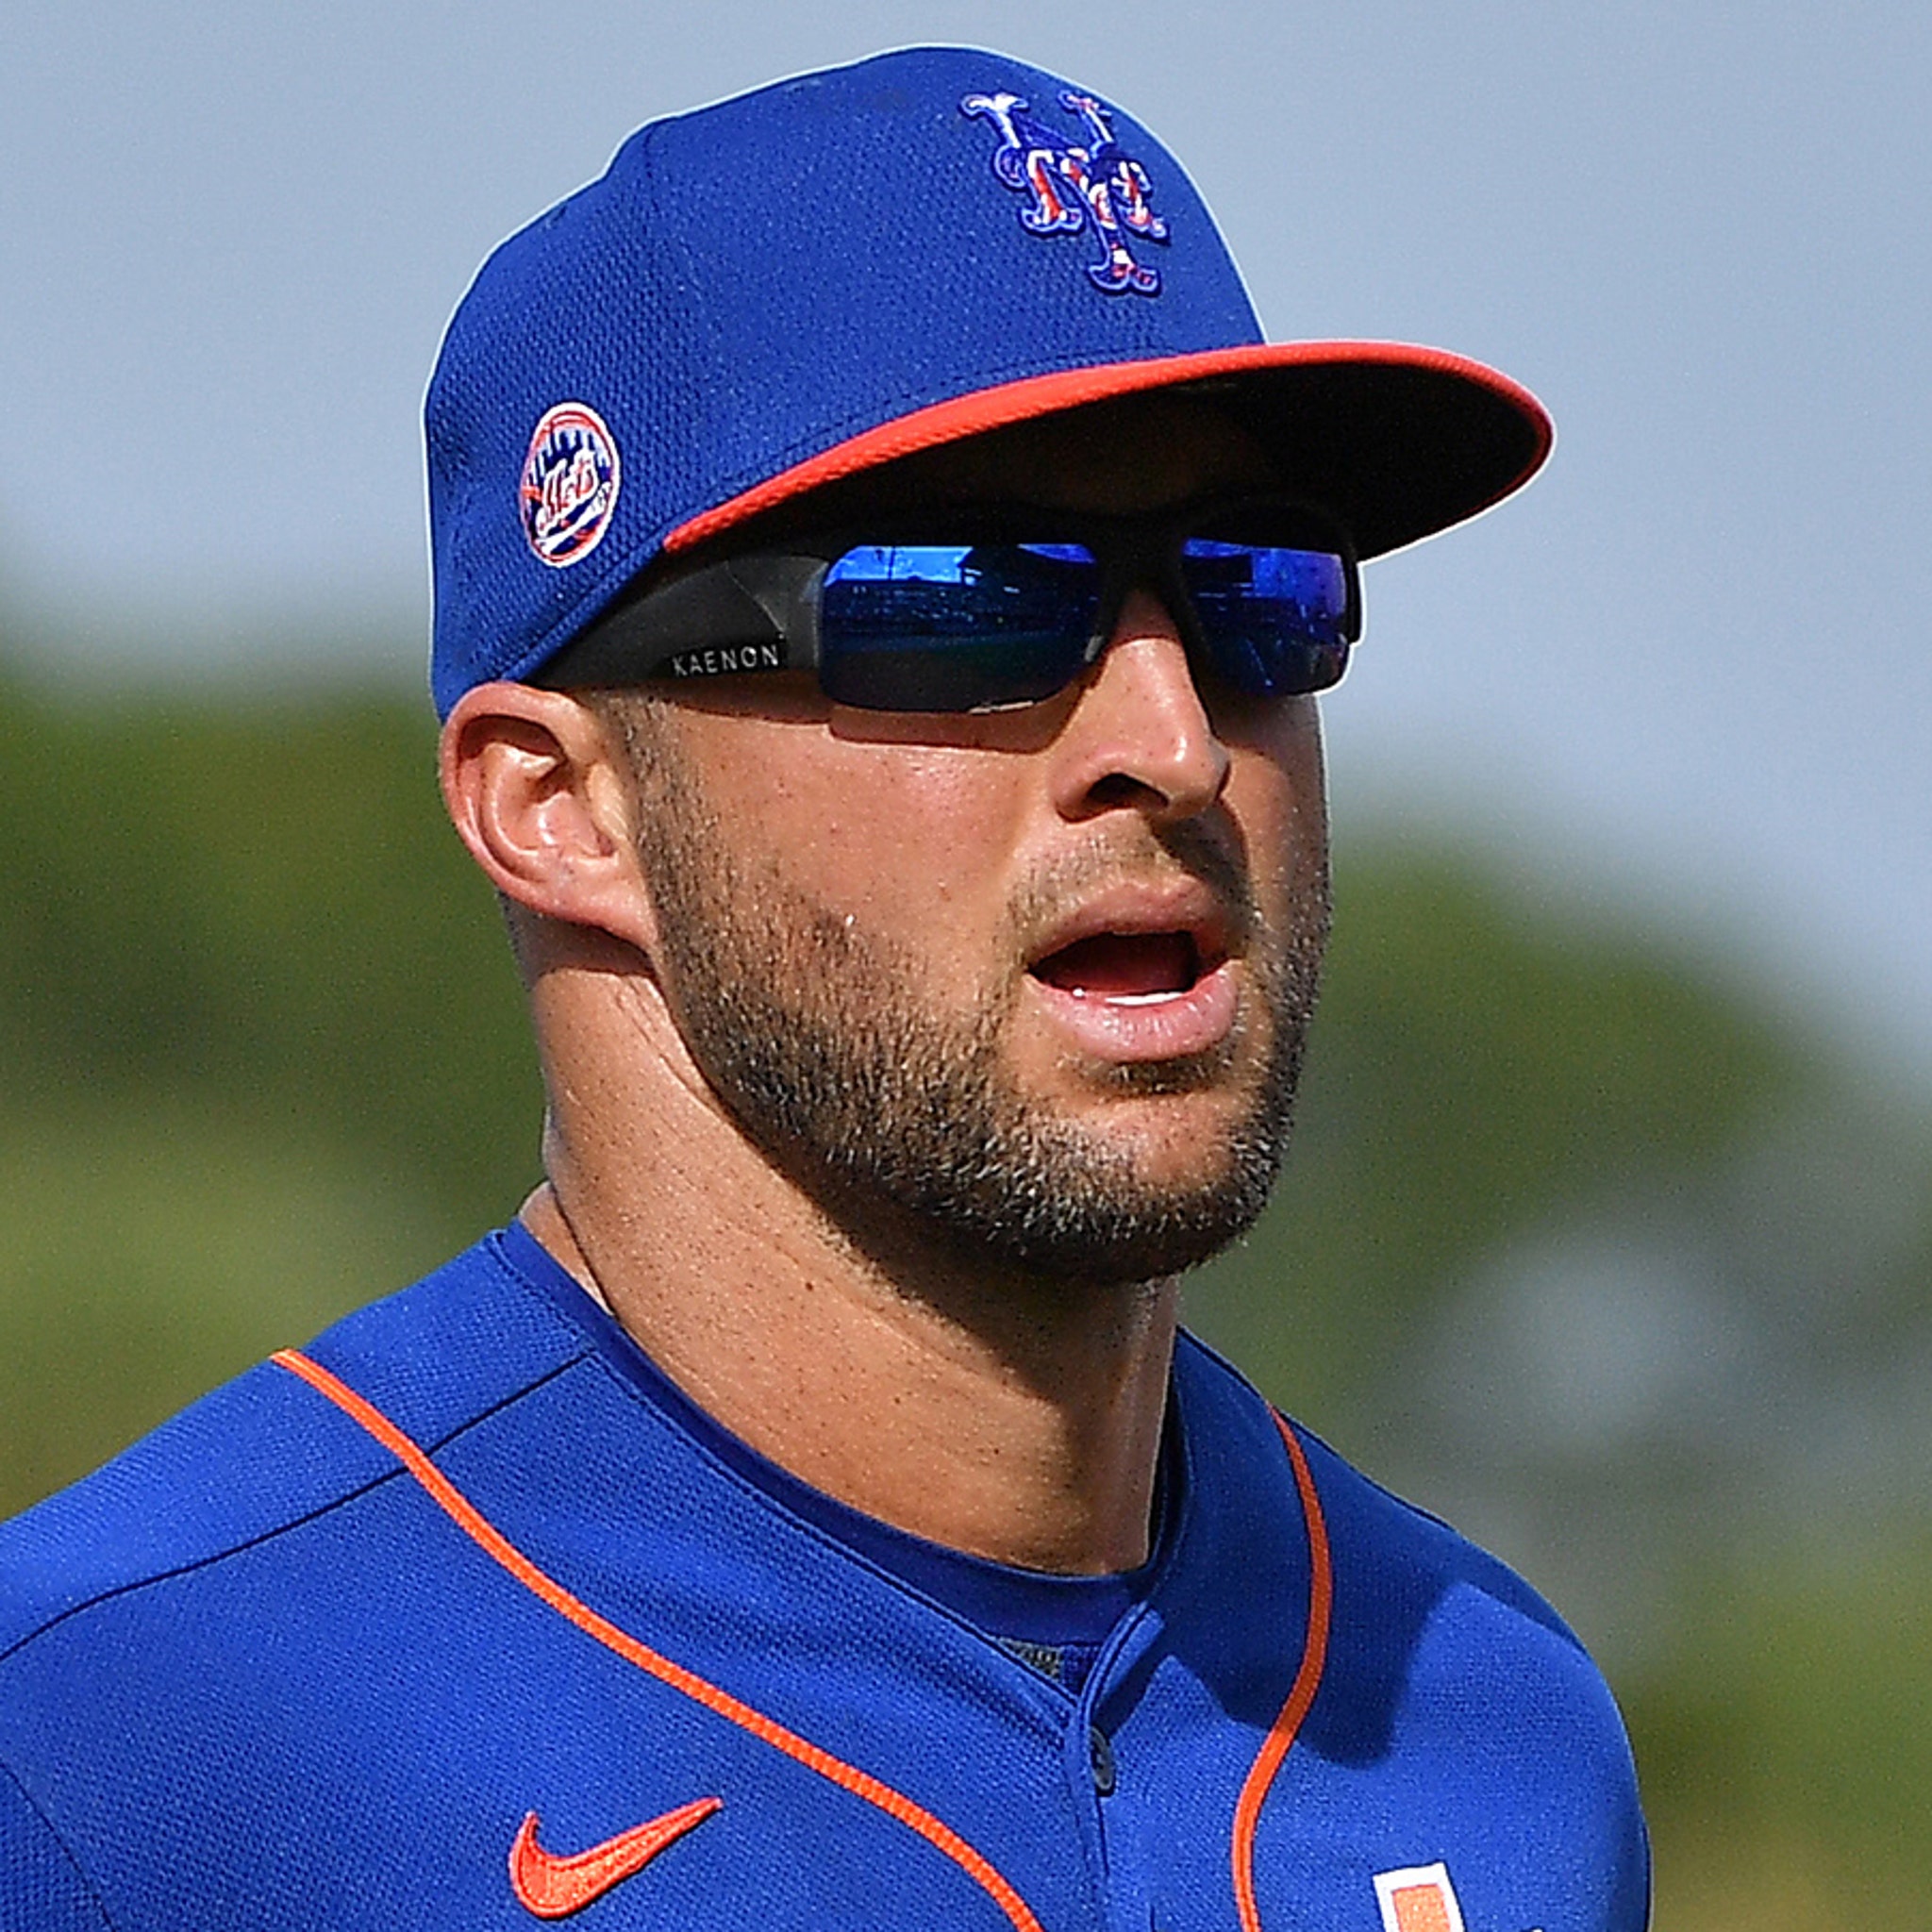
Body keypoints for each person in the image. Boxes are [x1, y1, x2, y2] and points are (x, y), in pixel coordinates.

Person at [0, 47, 1648, 1932]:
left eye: (1255, 591)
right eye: (959, 597)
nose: (1173, 739)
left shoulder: (1493, 1731)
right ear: (559, 807)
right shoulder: (104, 1752)